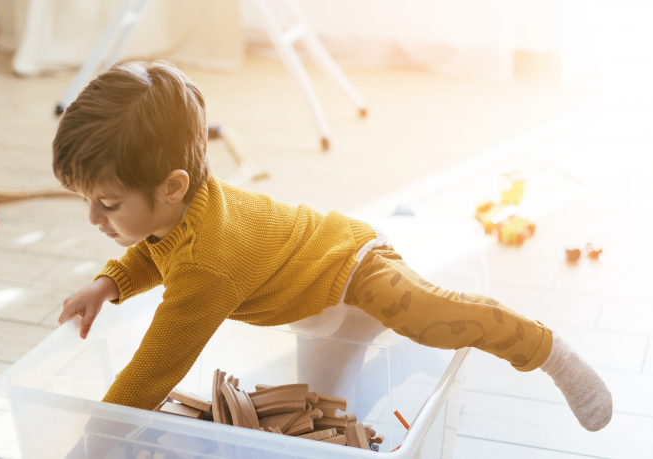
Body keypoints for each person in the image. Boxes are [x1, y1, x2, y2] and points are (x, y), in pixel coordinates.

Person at [54, 60, 612, 433]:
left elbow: (155, 368)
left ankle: (550, 351)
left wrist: (91, 438)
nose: (94, 218)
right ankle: (412, 373)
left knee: (433, 318)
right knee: (320, 424)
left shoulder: (207, 268)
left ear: (173, 186)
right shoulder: (180, 214)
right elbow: (156, 248)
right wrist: (109, 283)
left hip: (351, 267)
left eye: (107, 204)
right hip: (314, 310)